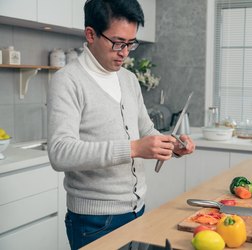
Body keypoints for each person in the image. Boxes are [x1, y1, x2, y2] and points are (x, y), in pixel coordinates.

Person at [47, 0, 195, 249]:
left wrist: (171, 144)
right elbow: (60, 152)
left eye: (131, 43)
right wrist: (134, 148)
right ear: (91, 34)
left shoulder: (128, 79)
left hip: (137, 209)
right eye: (118, 43)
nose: (125, 52)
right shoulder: (67, 81)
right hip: (94, 220)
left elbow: (146, 130)